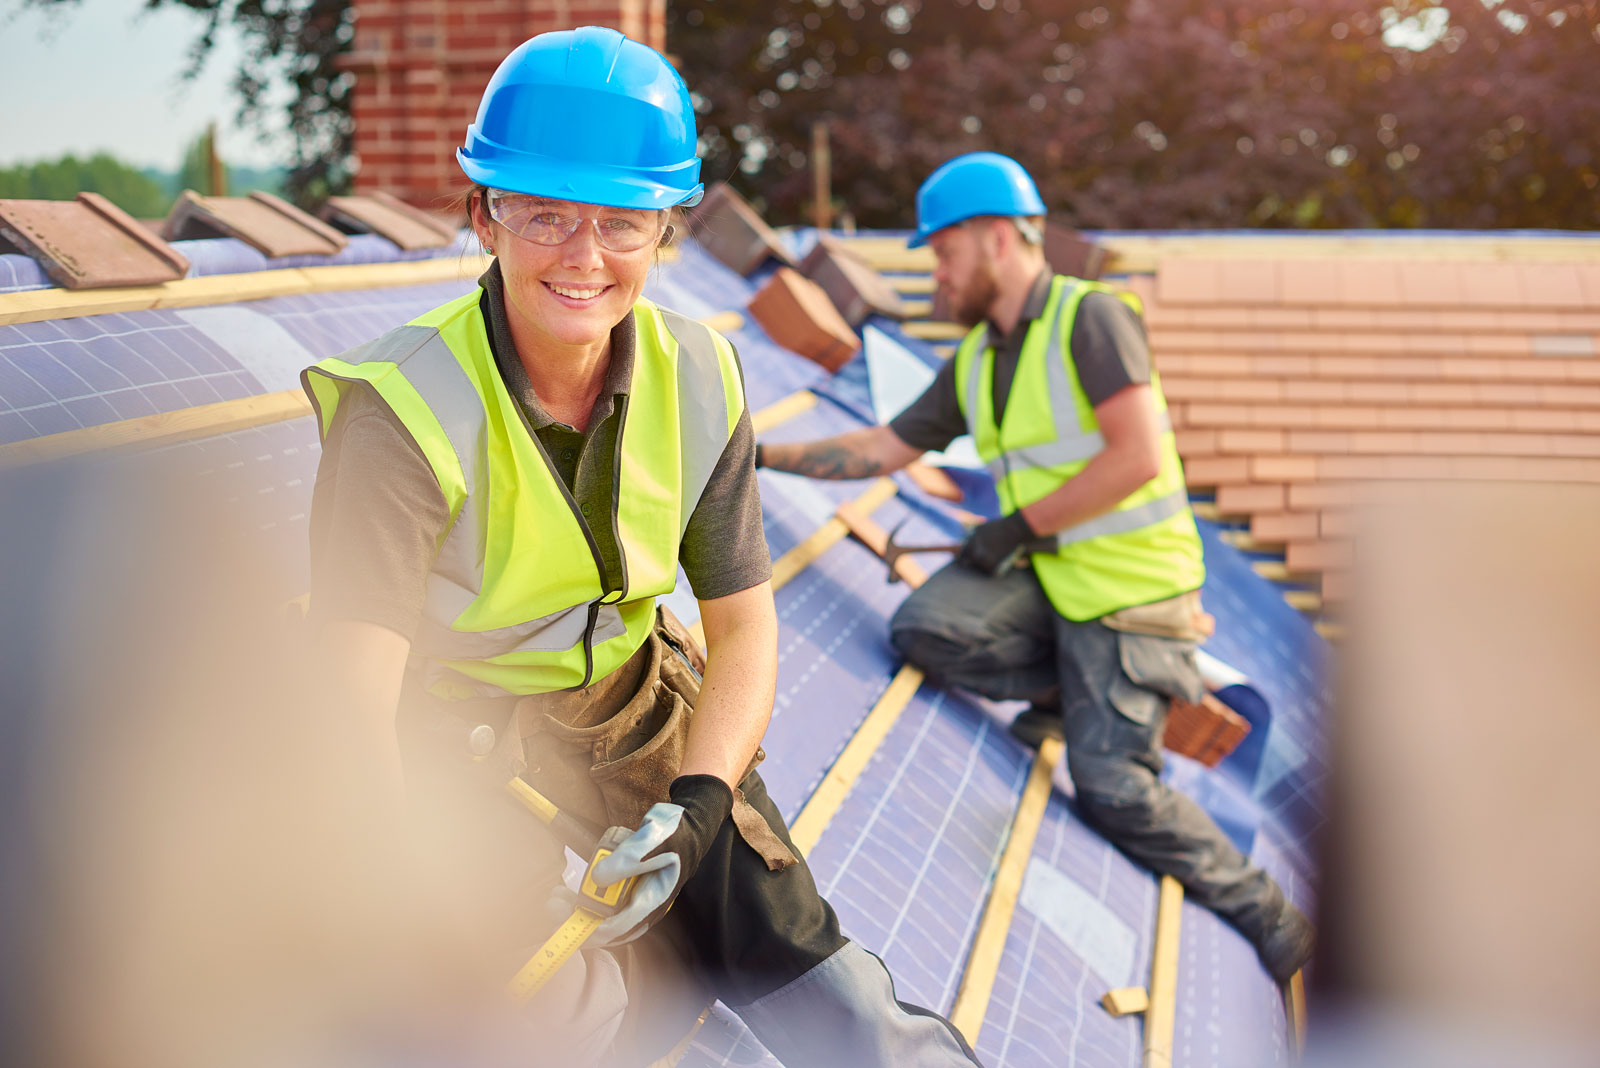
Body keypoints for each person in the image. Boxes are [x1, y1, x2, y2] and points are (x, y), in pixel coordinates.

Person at [300, 26, 980, 1067]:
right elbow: (352, 710)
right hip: (457, 746)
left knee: (838, 1011)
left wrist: (702, 809)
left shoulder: (699, 373)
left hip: (632, 711)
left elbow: (744, 628)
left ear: (666, 230)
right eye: (545, 216)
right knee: (521, 1019)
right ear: (485, 215)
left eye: (623, 223)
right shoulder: (402, 410)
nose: (584, 258)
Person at [755, 152, 1315, 986]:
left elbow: (1135, 457)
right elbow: (880, 447)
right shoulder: (981, 358)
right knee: (926, 628)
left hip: (1134, 597)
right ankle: (1066, 691)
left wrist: (1016, 526)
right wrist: (758, 453)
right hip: (1058, 583)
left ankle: (1273, 915)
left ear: (992, 238)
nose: (937, 276)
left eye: (942, 253)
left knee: (1112, 786)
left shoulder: (1090, 319)